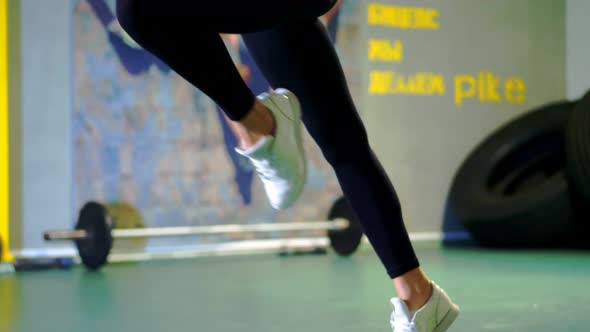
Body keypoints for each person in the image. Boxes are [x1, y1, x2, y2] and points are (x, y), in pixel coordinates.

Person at [114, 1, 460, 331]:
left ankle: (260, 125)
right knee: (344, 144)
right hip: (273, 15)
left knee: (142, 9)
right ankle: (419, 297)